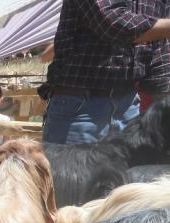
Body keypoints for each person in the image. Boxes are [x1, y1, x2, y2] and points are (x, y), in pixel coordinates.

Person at [42, 0, 170, 144]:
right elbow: (112, 22)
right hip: (80, 108)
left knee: (127, 166)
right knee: (72, 166)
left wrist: (162, 107)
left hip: (129, 106)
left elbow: (159, 47)